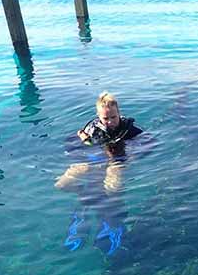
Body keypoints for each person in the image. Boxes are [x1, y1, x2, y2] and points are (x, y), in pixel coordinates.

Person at [56, 92, 144, 256]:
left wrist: (131, 157)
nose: (110, 122)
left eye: (113, 117)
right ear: (98, 116)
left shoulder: (129, 129)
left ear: (119, 113)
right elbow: (71, 146)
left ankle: (111, 222)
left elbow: (148, 143)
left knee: (112, 187)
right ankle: (83, 207)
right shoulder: (90, 130)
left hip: (115, 161)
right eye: (106, 118)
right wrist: (82, 155)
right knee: (61, 184)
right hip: (93, 161)